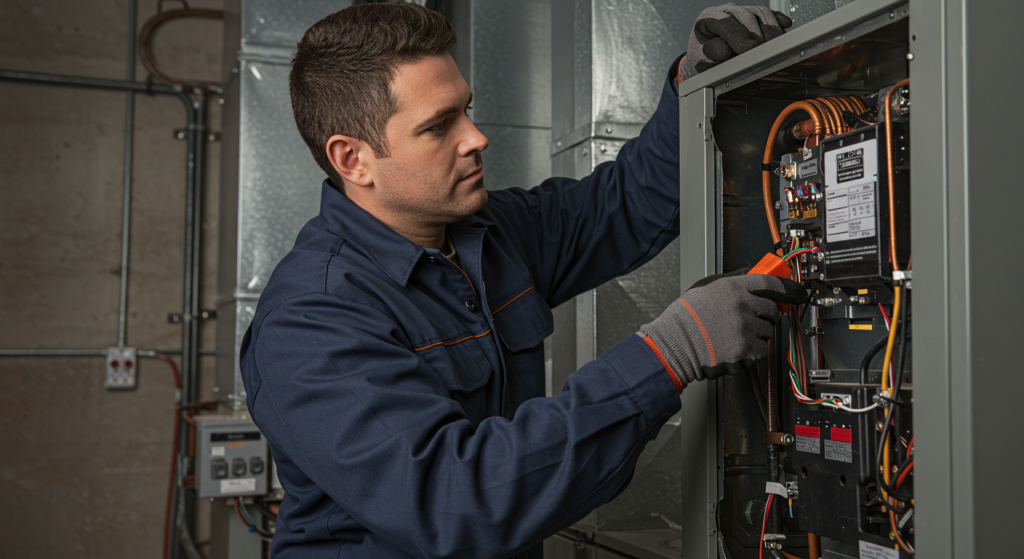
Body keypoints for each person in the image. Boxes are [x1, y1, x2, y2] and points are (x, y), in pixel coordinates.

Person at [240, 3, 798, 558]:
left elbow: (626, 204)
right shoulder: (310, 320)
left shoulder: (489, 233)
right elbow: (456, 503)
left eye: (467, 110)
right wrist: (668, 353)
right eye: (438, 126)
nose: (476, 138)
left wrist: (693, 88)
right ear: (352, 159)